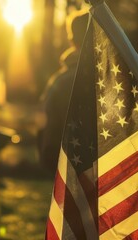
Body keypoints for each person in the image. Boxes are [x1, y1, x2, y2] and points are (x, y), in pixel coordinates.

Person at [37, 11, 89, 173]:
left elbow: (45, 125)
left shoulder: (60, 82)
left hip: (65, 165)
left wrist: (48, 157)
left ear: (72, 39)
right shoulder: (114, 77)